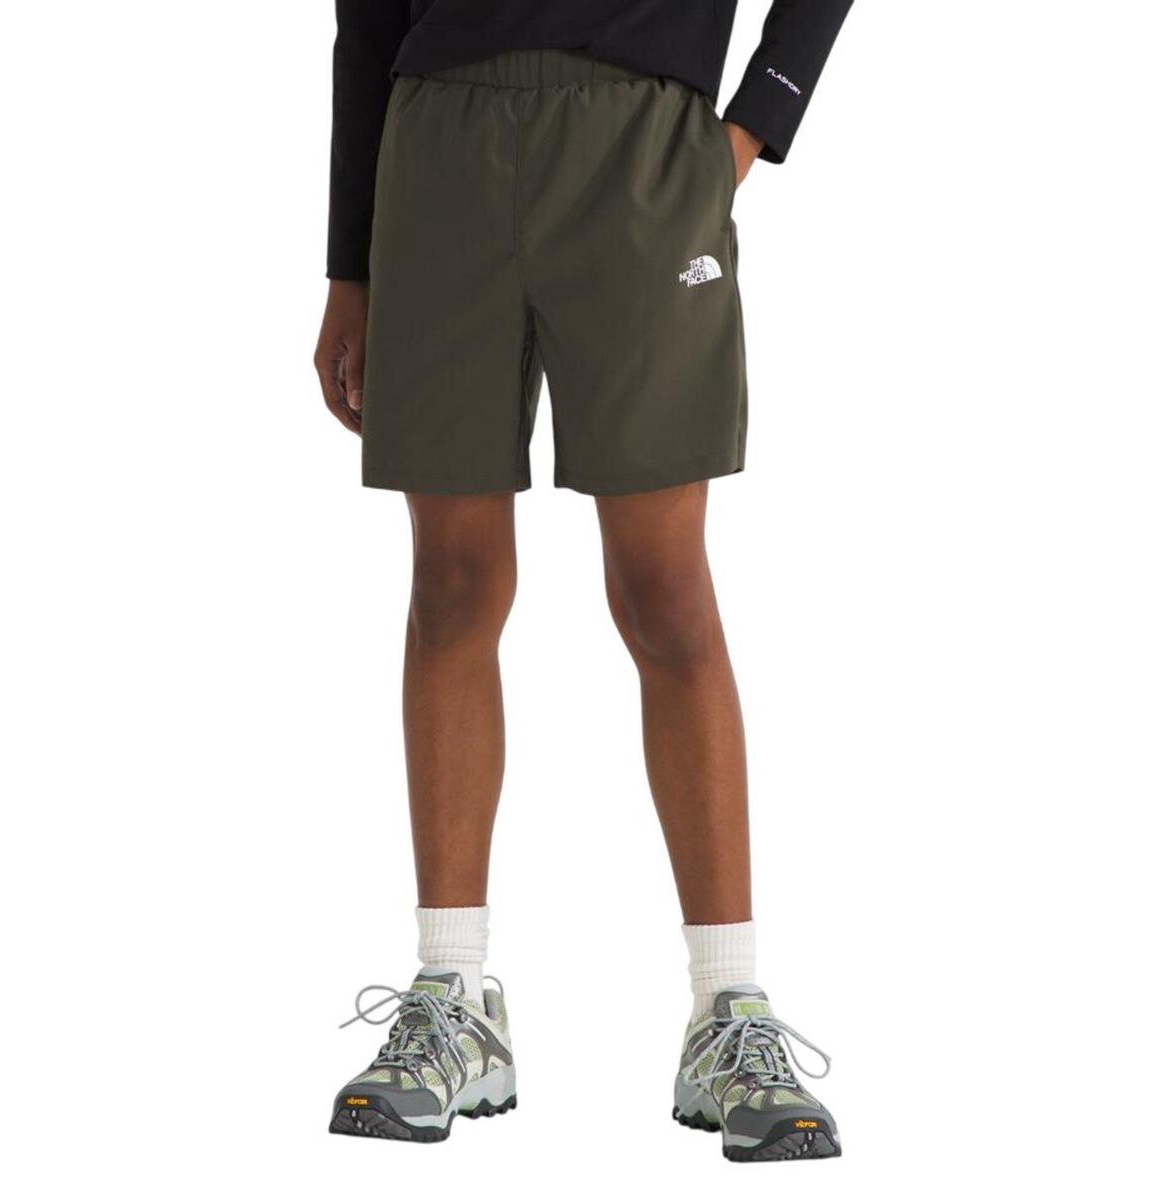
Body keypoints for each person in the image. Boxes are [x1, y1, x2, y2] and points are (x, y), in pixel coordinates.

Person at [314, 0, 852, 1163]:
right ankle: (454, 996)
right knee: (452, 585)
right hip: (438, 145)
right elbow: (365, 15)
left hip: (644, 146)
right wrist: (348, 263)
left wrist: (754, 124)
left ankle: (729, 1009)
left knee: (664, 593)